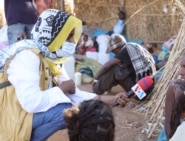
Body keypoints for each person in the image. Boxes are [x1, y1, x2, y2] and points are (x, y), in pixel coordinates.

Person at [0, 9, 129, 141]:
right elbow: (31, 102)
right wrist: (62, 89)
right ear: (52, 35)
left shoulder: (52, 58)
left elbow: (75, 94)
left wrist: (111, 99)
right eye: (67, 37)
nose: (72, 42)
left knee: (71, 108)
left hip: (22, 112)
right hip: (9, 114)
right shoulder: (28, 57)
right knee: (65, 111)